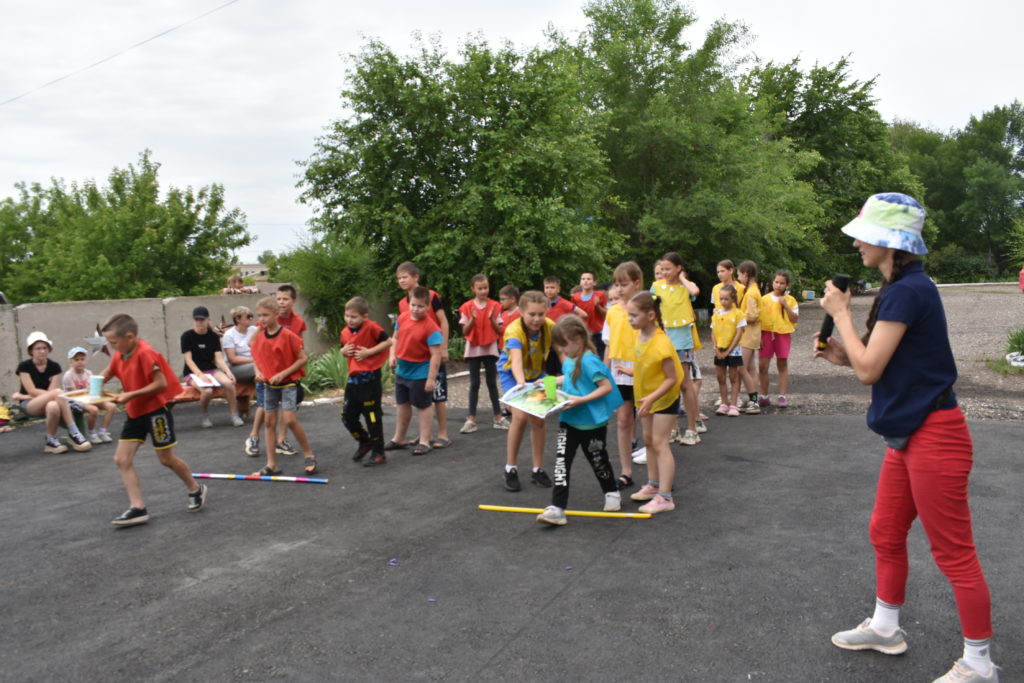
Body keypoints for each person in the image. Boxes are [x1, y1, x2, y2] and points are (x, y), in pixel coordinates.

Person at [816, 193, 999, 683]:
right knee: (885, 530)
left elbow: (870, 370)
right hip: (910, 434)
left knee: (954, 552)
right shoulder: (902, 287)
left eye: (864, 234)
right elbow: (876, 361)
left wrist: (842, 314)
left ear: (889, 242)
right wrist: (843, 354)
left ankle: (979, 664)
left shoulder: (907, 291)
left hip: (934, 436)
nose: (856, 242)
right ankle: (885, 626)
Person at [98, 313, 206, 527]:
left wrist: (130, 394)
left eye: (113, 342)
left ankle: (195, 488)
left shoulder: (146, 353)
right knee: (122, 459)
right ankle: (138, 508)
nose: (111, 346)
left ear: (129, 337)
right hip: (135, 412)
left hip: (156, 411)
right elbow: (109, 371)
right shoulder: (120, 354)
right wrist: (92, 385)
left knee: (166, 459)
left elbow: (161, 384)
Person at [536, 315, 623, 526]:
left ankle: (611, 492)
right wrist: (548, 382)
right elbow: (570, 377)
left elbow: (606, 387)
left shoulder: (590, 361)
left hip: (591, 424)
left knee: (598, 459)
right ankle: (557, 508)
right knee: (561, 464)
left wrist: (581, 399)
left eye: (565, 344)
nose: (563, 350)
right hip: (569, 420)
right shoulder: (571, 359)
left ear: (579, 338)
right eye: (560, 345)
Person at [626, 291, 683, 515]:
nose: (630, 319)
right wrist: (630, 372)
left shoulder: (661, 343)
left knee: (660, 443)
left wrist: (651, 398)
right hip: (646, 398)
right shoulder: (639, 335)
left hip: (663, 398)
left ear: (650, 315)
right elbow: (646, 367)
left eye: (633, 315)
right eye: (628, 315)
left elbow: (672, 378)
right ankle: (653, 485)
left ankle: (665, 497)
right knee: (649, 441)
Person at [249, 297, 318, 476]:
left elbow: (303, 359)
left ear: (276, 314)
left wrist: (283, 374)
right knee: (269, 422)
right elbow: (255, 355)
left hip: (288, 385)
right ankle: (272, 464)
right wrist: (258, 372)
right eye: (259, 316)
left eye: (266, 315)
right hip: (270, 386)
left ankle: (309, 454)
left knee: (290, 420)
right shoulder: (260, 337)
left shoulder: (288, 335)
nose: (262, 319)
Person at [498, 290, 555, 491]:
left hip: (540, 374)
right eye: (532, 314)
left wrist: (558, 380)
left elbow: (560, 355)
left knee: (540, 418)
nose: (537, 319)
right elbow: (516, 362)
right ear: (522, 312)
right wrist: (522, 385)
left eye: (541, 313)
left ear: (546, 311)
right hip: (513, 375)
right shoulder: (514, 331)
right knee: (520, 417)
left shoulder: (550, 327)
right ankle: (510, 467)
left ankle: (537, 469)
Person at [394, 262, 451, 448]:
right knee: (416, 398)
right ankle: (423, 436)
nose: (402, 281)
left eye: (405, 277)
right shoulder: (403, 303)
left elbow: (443, 321)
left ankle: (442, 433)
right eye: (399, 278)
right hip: (412, 357)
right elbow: (401, 331)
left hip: (432, 351)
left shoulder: (432, 296)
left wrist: (443, 348)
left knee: (437, 393)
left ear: (415, 277)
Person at [651, 252, 702, 446]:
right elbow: (650, 307)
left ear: (678, 268)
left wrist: (682, 278)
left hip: (682, 340)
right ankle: (673, 428)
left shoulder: (685, 287)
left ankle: (692, 428)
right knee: (667, 384)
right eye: (661, 269)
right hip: (663, 339)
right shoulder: (656, 286)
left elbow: (695, 292)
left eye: (668, 269)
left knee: (684, 384)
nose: (664, 272)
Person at [386, 286, 442, 456]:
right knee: (402, 404)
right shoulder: (402, 318)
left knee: (423, 405)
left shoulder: (431, 328)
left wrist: (431, 379)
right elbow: (395, 338)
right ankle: (399, 438)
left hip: (420, 372)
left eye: (420, 306)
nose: (416, 309)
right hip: (402, 371)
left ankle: (425, 440)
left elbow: (435, 355)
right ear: (408, 303)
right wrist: (392, 355)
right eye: (413, 305)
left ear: (428, 307)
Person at [14, 331, 93, 453]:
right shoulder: (24, 367)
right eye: (38, 348)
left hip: (48, 401)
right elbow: (33, 391)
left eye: (45, 348)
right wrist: (25, 396)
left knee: (53, 406)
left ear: (49, 349)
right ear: (31, 351)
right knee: (58, 393)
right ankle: (74, 432)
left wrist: (52, 394)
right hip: (29, 403)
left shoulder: (54, 366)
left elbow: (52, 392)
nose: (42, 351)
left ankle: (50, 440)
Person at [602, 262, 643, 486]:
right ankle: (626, 472)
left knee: (647, 419)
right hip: (619, 371)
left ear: (636, 284)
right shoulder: (613, 312)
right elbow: (608, 344)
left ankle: (656, 476)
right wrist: (602, 371)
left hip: (642, 369)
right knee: (623, 421)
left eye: (623, 284)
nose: (618, 289)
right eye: (616, 284)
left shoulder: (645, 309)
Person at [340, 296, 391, 467]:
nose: (349, 320)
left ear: (364, 317)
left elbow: (388, 342)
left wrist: (369, 352)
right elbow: (344, 349)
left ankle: (379, 452)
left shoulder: (372, 328)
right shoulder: (345, 332)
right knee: (347, 416)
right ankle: (364, 441)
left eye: (353, 317)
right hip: (353, 381)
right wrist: (343, 351)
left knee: (372, 417)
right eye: (347, 315)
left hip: (370, 380)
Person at [457, 274, 508, 434]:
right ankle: (471, 419)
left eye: (485, 287)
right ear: (473, 289)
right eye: (480, 288)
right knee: (474, 384)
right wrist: (472, 319)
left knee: (492, 383)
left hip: (490, 347)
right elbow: (464, 331)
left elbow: (499, 330)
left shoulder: (495, 306)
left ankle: (498, 417)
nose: (483, 291)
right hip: (473, 348)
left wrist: (492, 318)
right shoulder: (466, 307)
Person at [180, 306, 241, 428]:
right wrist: (200, 375)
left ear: (208, 319)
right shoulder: (187, 336)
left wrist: (228, 371)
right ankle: (205, 415)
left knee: (229, 383)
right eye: (197, 319)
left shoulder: (213, 336)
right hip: (192, 372)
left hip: (211, 369)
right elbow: (188, 360)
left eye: (202, 319)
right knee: (207, 391)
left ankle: (234, 415)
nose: (199, 322)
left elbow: (218, 358)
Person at [272, 284, 308, 456]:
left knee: (289, 407)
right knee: (265, 410)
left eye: (285, 299)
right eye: (278, 299)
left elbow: (300, 346)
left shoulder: (298, 322)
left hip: (289, 373)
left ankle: (281, 440)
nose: (281, 302)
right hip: (270, 371)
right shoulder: (270, 319)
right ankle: (254, 437)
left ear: (293, 301)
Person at [758, 270, 799, 408]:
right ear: (772, 282)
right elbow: (758, 320)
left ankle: (782, 395)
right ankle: (764, 395)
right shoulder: (764, 299)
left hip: (783, 334)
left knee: (782, 364)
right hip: (766, 333)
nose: (778, 285)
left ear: (787, 285)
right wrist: (758, 336)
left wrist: (785, 305)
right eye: (776, 282)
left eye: (782, 283)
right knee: (762, 366)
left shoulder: (791, 300)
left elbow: (795, 318)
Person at [62, 346, 116, 443]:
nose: (80, 362)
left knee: (111, 406)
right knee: (93, 410)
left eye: (82, 359)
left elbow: (92, 389)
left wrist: (97, 392)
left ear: (86, 360)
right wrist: (88, 393)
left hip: (89, 399)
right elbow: (74, 395)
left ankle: (103, 431)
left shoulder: (88, 373)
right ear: (70, 362)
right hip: (75, 401)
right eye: (76, 359)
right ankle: (92, 433)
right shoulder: (68, 376)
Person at [711, 285, 746, 416]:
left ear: (733, 299)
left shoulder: (738, 314)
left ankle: (734, 404)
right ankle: (724, 403)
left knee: (733, 377)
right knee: (720, 377)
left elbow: (738, 334)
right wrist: (716, 348)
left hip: (734, 349)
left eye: (726, 299)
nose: (723, 301)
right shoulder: (716, 313)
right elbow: (713, 332)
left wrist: (728, 351)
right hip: (719, 347)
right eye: (721, 299)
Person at [543, 275, 587, 376]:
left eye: (552, 287)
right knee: (548, 371)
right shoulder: (543, 304)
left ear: (558, 289)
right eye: (547, 287)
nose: (549, 290)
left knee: (562, 369)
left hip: (560, 341)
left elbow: (583, 314)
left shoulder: (564, 303)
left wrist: (569, 328)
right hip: (546, 342)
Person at [736, 260, 762, 414]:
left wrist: (737, 317)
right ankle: (754, 400)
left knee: (741, 368)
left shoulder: (751, 293)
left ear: (745, 274)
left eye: (739, 274)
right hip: (752, 335)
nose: (739, 278)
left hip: (748, 335)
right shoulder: (754, 290)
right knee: (751, 368)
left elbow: (751, 316)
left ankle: (753, 401)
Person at [571, 271, 608, 359]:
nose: (586, 281)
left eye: (589, 279)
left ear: (594, 282)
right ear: (580, 282)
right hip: (583, 332)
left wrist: (598, 305)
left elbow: (606, 315)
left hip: (598, 332)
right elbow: (574, 315)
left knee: (600, 357)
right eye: (583, 279)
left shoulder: (600, 295)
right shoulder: (575, 297)